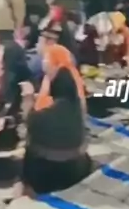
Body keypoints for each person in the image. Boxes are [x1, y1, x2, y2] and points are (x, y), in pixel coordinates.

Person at [21, 67, 91, 195]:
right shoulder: (77, 109)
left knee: (29, 144)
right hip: (74, 172)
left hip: (45, 176)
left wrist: (28, 98)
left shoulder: (44, 116)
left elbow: (28, 120)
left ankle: (26, 187)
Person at [35, 43, 85, 111]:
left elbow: (41, 108)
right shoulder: (72, 73)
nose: (43, 62)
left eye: (46, 59)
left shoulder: (65, 81)